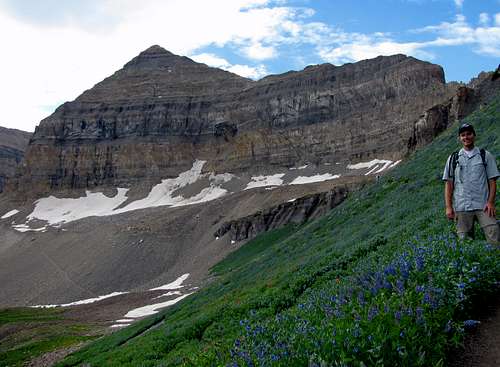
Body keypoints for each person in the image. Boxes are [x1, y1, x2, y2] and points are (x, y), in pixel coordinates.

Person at [443, 123, 500, 244]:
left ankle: (494, 260)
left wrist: (490, 202)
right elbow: (449, 184)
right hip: (461, 206)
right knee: (464, 242)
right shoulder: (453, 158)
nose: (466, 137)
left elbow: (492, 181)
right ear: (460, 138)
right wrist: (448, 207)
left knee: (494, 234)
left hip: (483, 205)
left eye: (468, 134)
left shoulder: (485, 155)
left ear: (474, 135)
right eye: (463, 135)